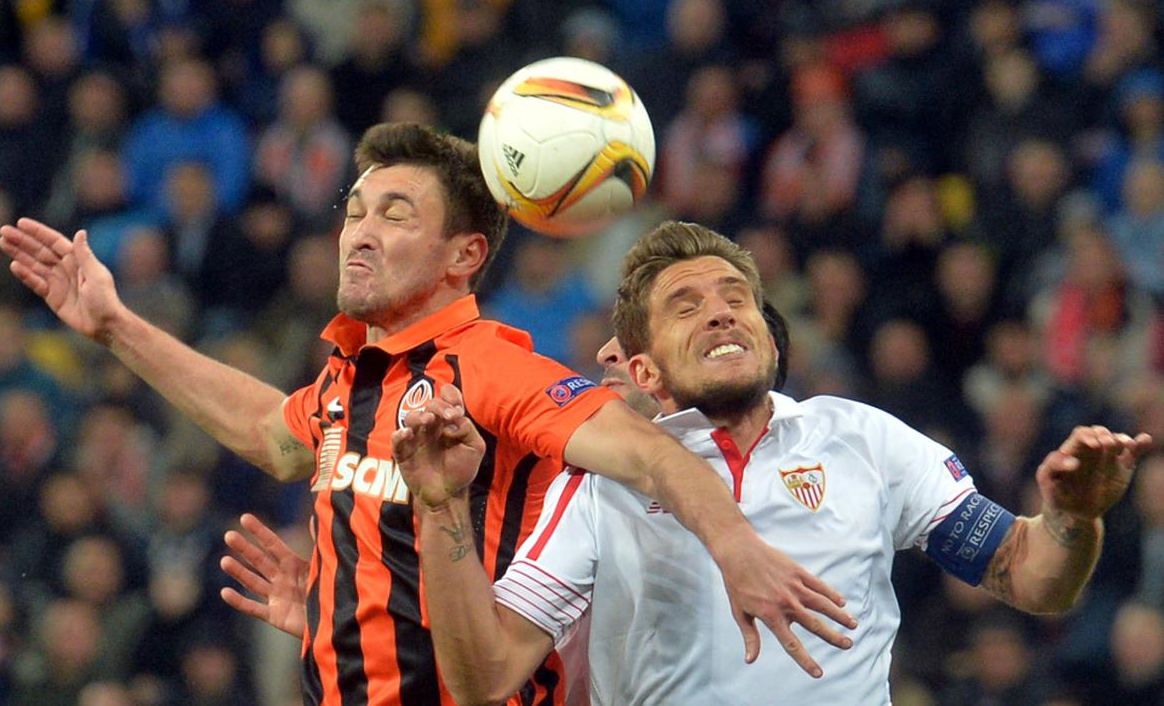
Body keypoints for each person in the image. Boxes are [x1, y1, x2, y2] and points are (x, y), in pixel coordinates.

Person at [0, 123, 855, 705]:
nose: (358, 234)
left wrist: (738, 549)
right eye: (355, 212)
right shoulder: (347, 375)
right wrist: (116, 327)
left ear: (464, 256)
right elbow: (273, 435)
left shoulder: (492, 371)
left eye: (394, 215)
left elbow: (654, 455)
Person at [388, 221, 1152, 705]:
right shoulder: (603, 484)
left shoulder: (862, 439)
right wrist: (441, 507)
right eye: (685, 306)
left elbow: (1031, 577)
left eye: (736, 298)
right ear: (645, 373)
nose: (720, 310)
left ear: (769, 336)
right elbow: (483, 676)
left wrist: (1071, 517)